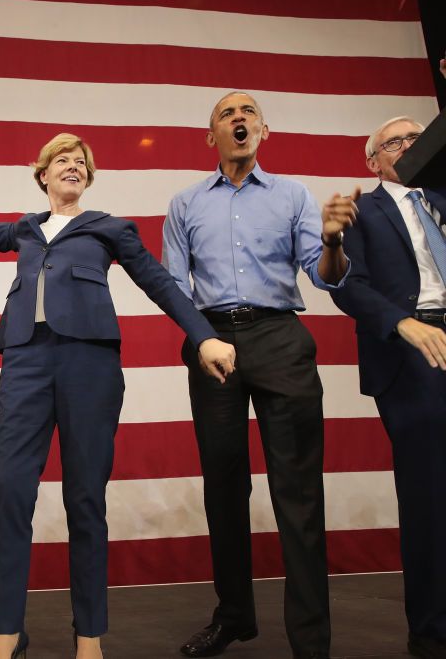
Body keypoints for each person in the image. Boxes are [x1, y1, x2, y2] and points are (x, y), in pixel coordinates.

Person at [0, 136, 237, 659]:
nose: (73, 167)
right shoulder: (26, 229)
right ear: (43, 176)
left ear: (88, 180)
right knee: (9, 493)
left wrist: (203, 334)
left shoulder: (109, 228)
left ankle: (89, 635)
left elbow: (160, 282)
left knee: (86, 500)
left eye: (81, 163)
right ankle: (6, 633)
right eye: (62, 162)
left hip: (89, 365)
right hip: (25, 361)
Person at [161, 91, 358, 659]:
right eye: (227, 113)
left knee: (297, 493)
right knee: (224, 488)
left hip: (279, 337)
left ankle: (311, 642)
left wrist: (332, 241)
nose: (239, 118)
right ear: (211, 135)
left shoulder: (294, 195)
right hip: (211, 341)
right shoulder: (185, 203)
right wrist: (202, 340)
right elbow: (174, 287)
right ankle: (234, 618)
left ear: (263, 130)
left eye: (248, 112)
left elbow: (326, 278)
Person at [330, 115, 446, 659]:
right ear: (372, 161)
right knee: (430, 493)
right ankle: (433, 626)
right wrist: (404, 324)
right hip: (410, 346)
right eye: (396, 141)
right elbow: (347, 284)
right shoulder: (363, 211)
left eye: (417, 137)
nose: (409, 146)